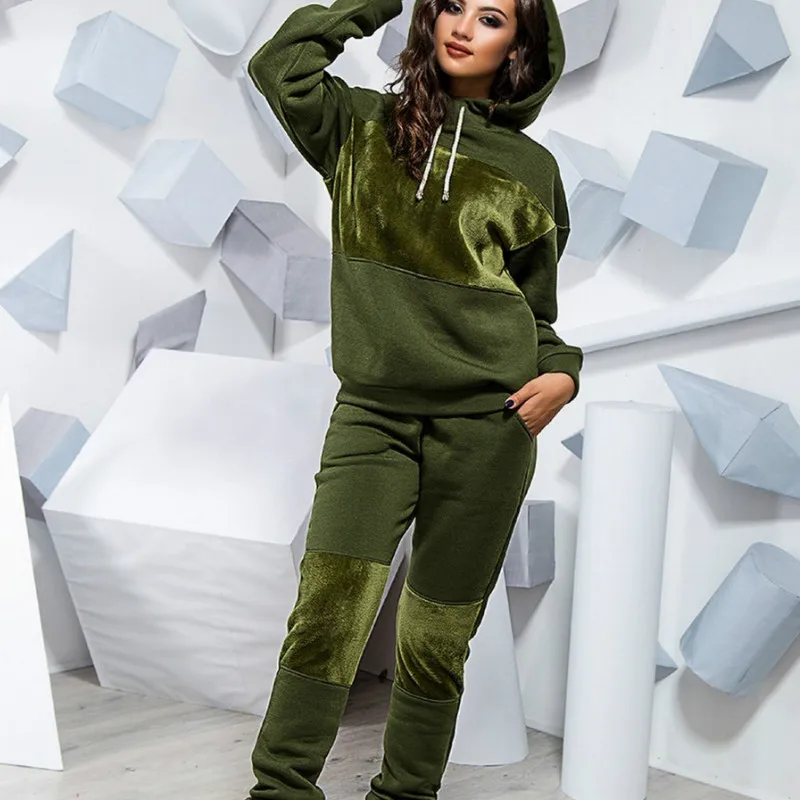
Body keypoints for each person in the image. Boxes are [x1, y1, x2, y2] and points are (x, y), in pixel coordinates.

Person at [245, 0, 583, 797]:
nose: (464, 26)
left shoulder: (533, 170)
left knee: (436, 637)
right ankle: (280, 789)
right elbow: (277, 68)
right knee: (328, 613)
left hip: (490, 426)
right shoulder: (358, 126)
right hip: (373, 416)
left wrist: (563, 373)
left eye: (492, 18)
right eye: (453, 6)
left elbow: (535, 311)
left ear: (520, 47)